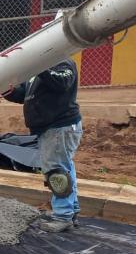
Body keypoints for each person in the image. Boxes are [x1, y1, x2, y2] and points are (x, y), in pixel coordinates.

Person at [4, 58, 82, 232]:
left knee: (56, 171)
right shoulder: (38, 72)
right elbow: (24, 94)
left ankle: (63, 216)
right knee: (64, 167)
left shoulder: (63, 63)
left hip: (59, 127)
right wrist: (6, 90)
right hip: (51, 128)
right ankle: (70, 211)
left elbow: (62, 83)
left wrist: (39, 66)